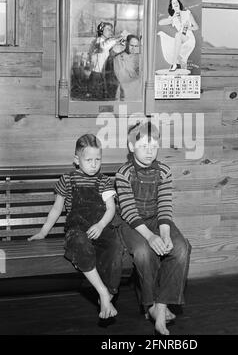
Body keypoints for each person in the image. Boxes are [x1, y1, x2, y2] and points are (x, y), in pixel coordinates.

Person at [28, 134, 123, 320]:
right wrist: (43, 231)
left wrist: (101, 224)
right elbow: (56, 209)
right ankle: (102, 292)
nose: (94, 164)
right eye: (88, 160)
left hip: (100, 226)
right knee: (80, 244)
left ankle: (109, 292)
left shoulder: (104, 181)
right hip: (77, 229)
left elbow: (111, 209)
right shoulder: (67, 179)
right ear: (76, 160)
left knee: (116, 246)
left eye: (98, 159)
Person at [115, 121, 191, 335]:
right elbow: (129, 211)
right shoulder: (124, 174)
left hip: (158, 221)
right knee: (143, 252)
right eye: (143, 145)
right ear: (131, 147)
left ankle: (162, 306)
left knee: (180, 248)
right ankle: (150, 305)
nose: (149, 151)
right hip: (133, 224)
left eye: (154, 145)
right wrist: (150, 238)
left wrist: (164, 234)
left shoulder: (164, 171)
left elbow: (165, 206)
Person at [158, 0, 199, 72]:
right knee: (181, 59)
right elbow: (160, 23)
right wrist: (172, 17)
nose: (175, 3)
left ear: (179, 4)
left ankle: (174, 64)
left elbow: (196, 27)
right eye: (173, 3)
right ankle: (181, 65)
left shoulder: (187, 13)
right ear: (172, 7)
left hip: (189, 38)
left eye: (176, 2)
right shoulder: (172, 18)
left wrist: (189, 27)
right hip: (180, 39)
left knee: (177, 35)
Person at [87, 22, 125, 100]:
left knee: (103, 97)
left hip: (102, 74)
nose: (110, 32)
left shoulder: (105, 42)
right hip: (96, 75)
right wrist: (118, 38)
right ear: (101, 31)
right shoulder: (98, 41)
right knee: (96, 99)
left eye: (111, 30)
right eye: (108, 29)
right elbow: (104, 46)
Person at [113, 34, 141, 101]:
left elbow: (143, 75)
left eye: (136, 46)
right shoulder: (118, 58)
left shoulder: (140, 58)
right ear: (126, 43)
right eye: (131, 45)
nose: (133, 48)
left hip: (137, 94)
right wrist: (136, 74)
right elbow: (122, 77)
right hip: (124, 94)